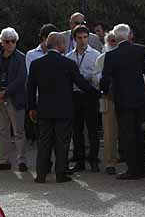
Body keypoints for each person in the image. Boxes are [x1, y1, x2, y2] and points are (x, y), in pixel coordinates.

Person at [27, 32, 99, 183]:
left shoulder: (36, 64)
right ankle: (61, 173)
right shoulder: (68, 64)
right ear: (60, 45)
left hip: (44, 109)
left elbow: (31, 88)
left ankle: (41, 174)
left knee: (44, 141)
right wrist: (98, 93)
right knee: (62, 141)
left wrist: (32, 107)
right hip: (64, 109)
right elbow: (81, 84)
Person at [100, 24, 145, 180]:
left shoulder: (111, 55)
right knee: (140, 132)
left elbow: (104, 79)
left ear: (116, 38)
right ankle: (143, 167)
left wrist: (105, 92)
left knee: (127, 134)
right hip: (140, 97)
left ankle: (132, 169)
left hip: (122, 99)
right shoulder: (141, 50)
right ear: (129, 35)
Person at [0, 27, 28, 172]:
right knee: (2, 130)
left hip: (14, 98)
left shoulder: (21, 58)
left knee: (18, 131)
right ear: (2, 42)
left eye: (13, 41)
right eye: (7, 41)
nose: (10, 44)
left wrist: (5, 92)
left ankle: (21, 160)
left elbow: (21, 78)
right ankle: (4, 160)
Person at [65, 25, 101, 172]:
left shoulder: (96, 55)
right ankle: (79, 161)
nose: (82, 41)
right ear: (74, 39)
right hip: (75, 95)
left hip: (90, 95)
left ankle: (93, 160)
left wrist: (87, 78)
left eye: (85, 37)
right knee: (77, 130)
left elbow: (98, 74)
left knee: (92, 129)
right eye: (79, 38)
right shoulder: (69, 57)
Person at [93, 31, 119, 175]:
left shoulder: (124, 57)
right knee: (109, 132)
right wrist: (106, 82)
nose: (112, 43)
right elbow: (95, 76)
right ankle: (110, 162)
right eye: (110, 41)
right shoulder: (102, 58)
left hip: (123, 97)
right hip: (107, 97)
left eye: (115, 40)